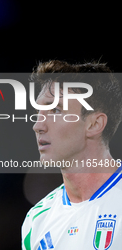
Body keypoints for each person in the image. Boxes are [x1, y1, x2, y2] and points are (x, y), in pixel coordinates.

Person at [21, 60, 122, 250]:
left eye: (55, 110)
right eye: (38, 112)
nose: (38, 126)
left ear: (94, 124)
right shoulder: (36, 220)